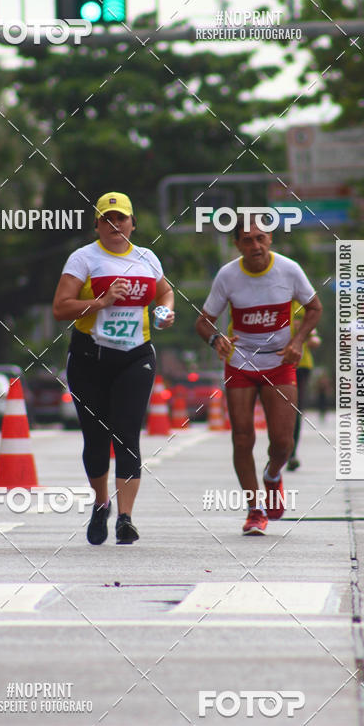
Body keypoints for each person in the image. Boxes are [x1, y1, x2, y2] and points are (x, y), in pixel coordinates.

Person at [52, 192, 175, 545]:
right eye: (107, 219)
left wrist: (165, 311)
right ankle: (101, 503)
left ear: (133, 223)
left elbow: (166, 293)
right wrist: (101, 302)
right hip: (90, 358)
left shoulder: (146, 258)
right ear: (97, 225)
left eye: (121, 218)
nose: (114, 225)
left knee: (127, 434)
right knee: (95, 439)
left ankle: (125, 518)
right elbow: (61, 308)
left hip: (135, 356)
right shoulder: (84, 258)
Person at [195, 215, 322, 535]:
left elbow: (315, 308)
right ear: (237, 244)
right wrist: (216, 339)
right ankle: (255, 510)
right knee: (242, 436)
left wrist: (297, 341)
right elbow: (203, 321)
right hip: (240, 363)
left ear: (270, 240)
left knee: (282, 442)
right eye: (248, 240)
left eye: (261, 238)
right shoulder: (228, 276)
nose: (256, 245)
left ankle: (273, 475)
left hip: (279, 363)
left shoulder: (289, 270)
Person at [287, 300, 321, 471]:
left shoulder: (303, 304)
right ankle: (279, 451)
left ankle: (292, 454)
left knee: (296, 410)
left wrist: (309, 336)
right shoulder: (275, 300)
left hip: (301, 365)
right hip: (278, 363)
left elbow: (314, 337)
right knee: (279, 410)